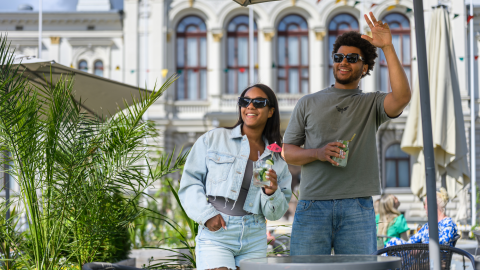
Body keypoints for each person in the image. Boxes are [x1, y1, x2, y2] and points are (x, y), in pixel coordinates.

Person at [283, 12, 411, 255]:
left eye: (352, 58)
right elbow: (287, 153)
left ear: (365, 68)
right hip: (312, 205)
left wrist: (388, 48)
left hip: (358, 206)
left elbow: (403, 97)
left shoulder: (371, 103)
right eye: (338, 57)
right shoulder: (308, 102)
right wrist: (318, 153)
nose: (343, 62)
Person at [178, 84, 292, 270]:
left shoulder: (275, 159)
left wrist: (272, 192)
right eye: (245, 101)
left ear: (271, 111)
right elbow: (190, 181)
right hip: (217, 233)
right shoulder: (214, 139)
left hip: (254, 236)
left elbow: (275, 213)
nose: (250, 106)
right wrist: (206, 215)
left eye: (259, 102)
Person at [386, 188, 459, 247]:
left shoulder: (447, 222)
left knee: (393, 245)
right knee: (393, 242)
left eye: (425, 204)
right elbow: (412, 241)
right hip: (420, 257)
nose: (424, 207)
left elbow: (444, 240)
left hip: (433, 259)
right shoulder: (429, 225)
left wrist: (420, 247)